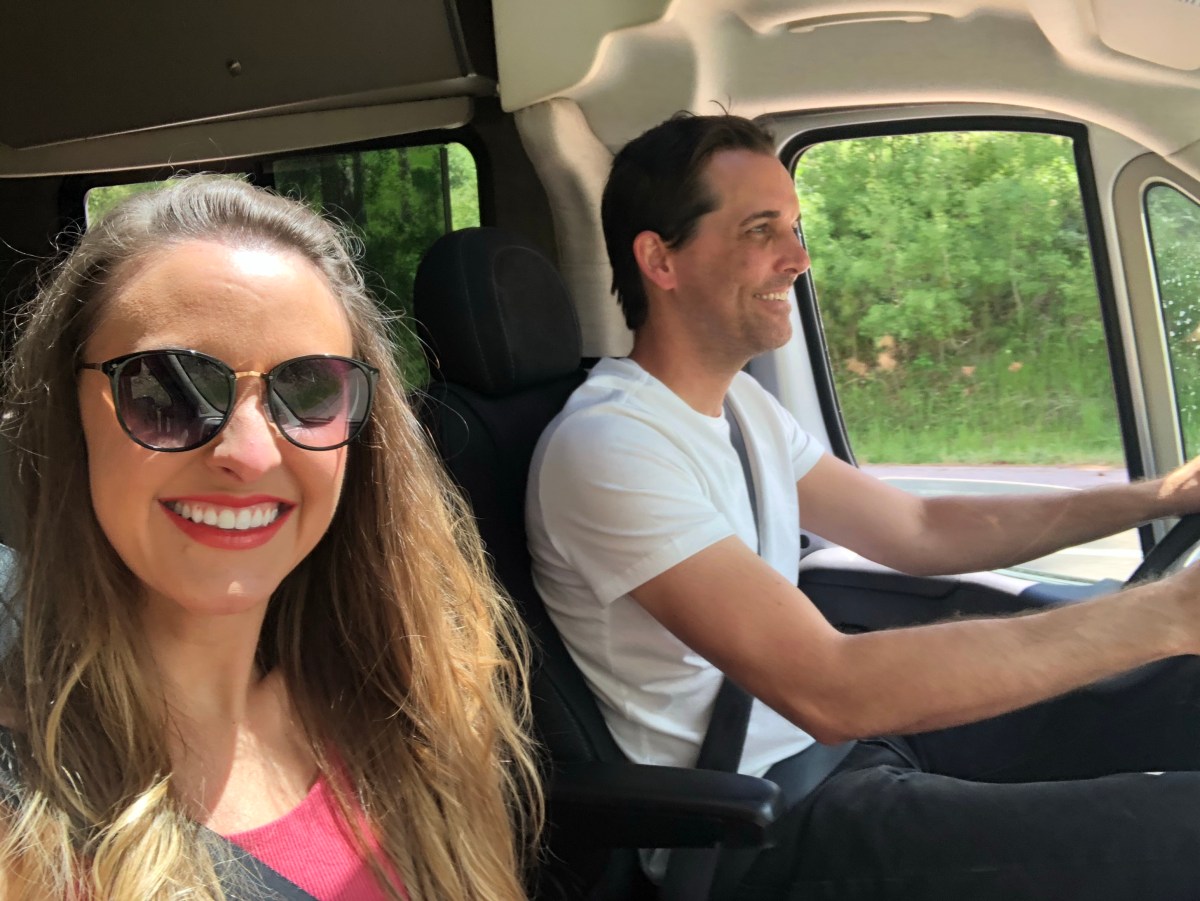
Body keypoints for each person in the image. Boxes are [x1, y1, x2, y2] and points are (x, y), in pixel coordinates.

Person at [526, 112, 1200, 899]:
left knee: (1182, 691)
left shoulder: (741, 407)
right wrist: (1168, 613)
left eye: (795, 227)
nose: (799, 258)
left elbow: (919, 529)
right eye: (761, 230)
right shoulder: (608, 447)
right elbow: (830, 686)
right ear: (660, 260)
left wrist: (1158, 498)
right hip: (762, 828)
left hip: (845, 751)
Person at [0, 176, 541, 901]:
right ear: (71, 415)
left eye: (309, 389)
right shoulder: (20, 819)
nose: (251, 454)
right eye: (168, 388)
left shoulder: (410, 715)